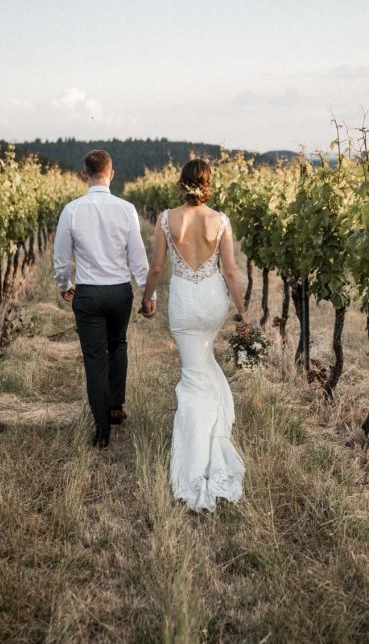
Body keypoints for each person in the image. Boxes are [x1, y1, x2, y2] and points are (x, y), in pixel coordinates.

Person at [141, 158, 247, 512]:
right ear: (207, 183)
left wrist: (146, 298)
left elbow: (157, 266)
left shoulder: (166, 219)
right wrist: (242, 313)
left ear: (181, 182)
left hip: (185, 301)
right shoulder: (220, 221)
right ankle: (212, 432)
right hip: (213, 301)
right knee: (203, 364)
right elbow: (230, 272)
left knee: (193, 375)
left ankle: (196, 459)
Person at [53, 150, 155, 449]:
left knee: (95, 358)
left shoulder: (71, 210)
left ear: (85, 174)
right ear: (111, 173)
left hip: (89, 292)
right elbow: (138, 259)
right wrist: (150, 295)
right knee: (118, 344)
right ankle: (115, 407)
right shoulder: (126, 209)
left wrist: (64, 284)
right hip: (119, 290)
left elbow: (61, 257)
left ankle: (101, 430)